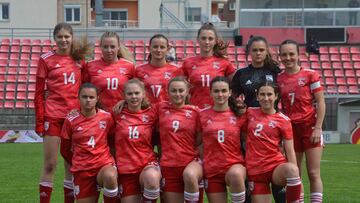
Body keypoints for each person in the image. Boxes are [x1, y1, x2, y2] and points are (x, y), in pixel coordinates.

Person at [35, 22, 91, 203]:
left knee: (71, 164)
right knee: (50, 164)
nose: (63, 40)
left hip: (74, 118)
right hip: (53, 116)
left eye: (67, 36)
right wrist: (39, 119)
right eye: (60, 37)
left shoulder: (79, 59)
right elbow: (38, 93)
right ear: (54, 38)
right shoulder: (46, 59)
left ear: (72, 37)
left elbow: (87, 89)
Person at [277, 39, 325, 203]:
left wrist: (318, 128)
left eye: (291, 54)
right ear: (280, 57)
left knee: (313, 173)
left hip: (310, 128)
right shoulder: (278, 79)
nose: (288, 57)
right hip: (290, 131)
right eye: (284, 54)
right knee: (295, 173)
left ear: (298, 55)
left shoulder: (310, 75)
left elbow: (321, 102)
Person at [245, 81, 302, 203]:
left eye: (269, 94)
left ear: (276, 96)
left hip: (275, 167)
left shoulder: (284, 120)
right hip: (255, 171)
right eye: (262, 94)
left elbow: (290, 150)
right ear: (257, 96)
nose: (266, 98)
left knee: (292, 170)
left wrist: (297, 179)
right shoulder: (249, 113)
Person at [61, 83, 118, 203]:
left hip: (103, 164)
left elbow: (113, 142)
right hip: (82, 170)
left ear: (97, 99)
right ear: (78, 98)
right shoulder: (70, 120)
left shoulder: (106, 118)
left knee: (110, 176)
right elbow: (64, 149)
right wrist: (78, 162)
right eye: (84, 97)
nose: (88, 100)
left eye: (91, 97)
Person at [199, 76, 247, 203]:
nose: (220, 94)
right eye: (216, 91)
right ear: (210, 92)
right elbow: (198, 143)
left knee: (236, 175)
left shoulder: (239, 114)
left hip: (234, 165)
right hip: (212, 169)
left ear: (230, 92)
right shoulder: (202, 115)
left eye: (224, 91)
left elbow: (248, 142)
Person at [113, 79, 161, 203]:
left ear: (143, 94)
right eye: (129, 94)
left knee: (151, 179)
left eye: (137, 93)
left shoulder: (152, 113)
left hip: (146, 164)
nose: (134, 97)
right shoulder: (116, 114)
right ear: (124, 96)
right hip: (125, 169)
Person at [157, 76, 203, 203]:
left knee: (190, 176)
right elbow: (141, 108)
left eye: (181, 90)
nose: (177, 94)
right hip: (169, 164)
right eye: (174, 90)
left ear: (187, 91)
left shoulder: (195, 112)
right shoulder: (160, 108)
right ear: (167, 92)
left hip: (190, 162)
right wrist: (124, 102)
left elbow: (199, 140)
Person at [182, 23, 236, 109]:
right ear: (198, 40)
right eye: (203, 38)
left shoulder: (224, 62)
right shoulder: (188, 62)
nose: (207, 42)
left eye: (210, 39)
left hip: (217, 112)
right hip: (195, 110)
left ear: (215, 41)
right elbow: (181, 88)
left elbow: (234, 87)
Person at [82, 31, 135, 111]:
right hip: (98, 114)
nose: (109, 50)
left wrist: (125, 101)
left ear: (118, 47)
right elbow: (83, 91)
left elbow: (136, 91)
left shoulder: (129, 66)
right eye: (105, 47)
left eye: (112, 47)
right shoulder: (90, 66)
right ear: (100, 47)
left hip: (123, 113)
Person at [136, 34, 183, 104]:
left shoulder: (177, 70)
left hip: (168, 112)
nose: (158, 50)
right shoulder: (139, 70)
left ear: (168, 49)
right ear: (149, 48)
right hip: (146, 112)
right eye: (155, 47)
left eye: (162, 47)